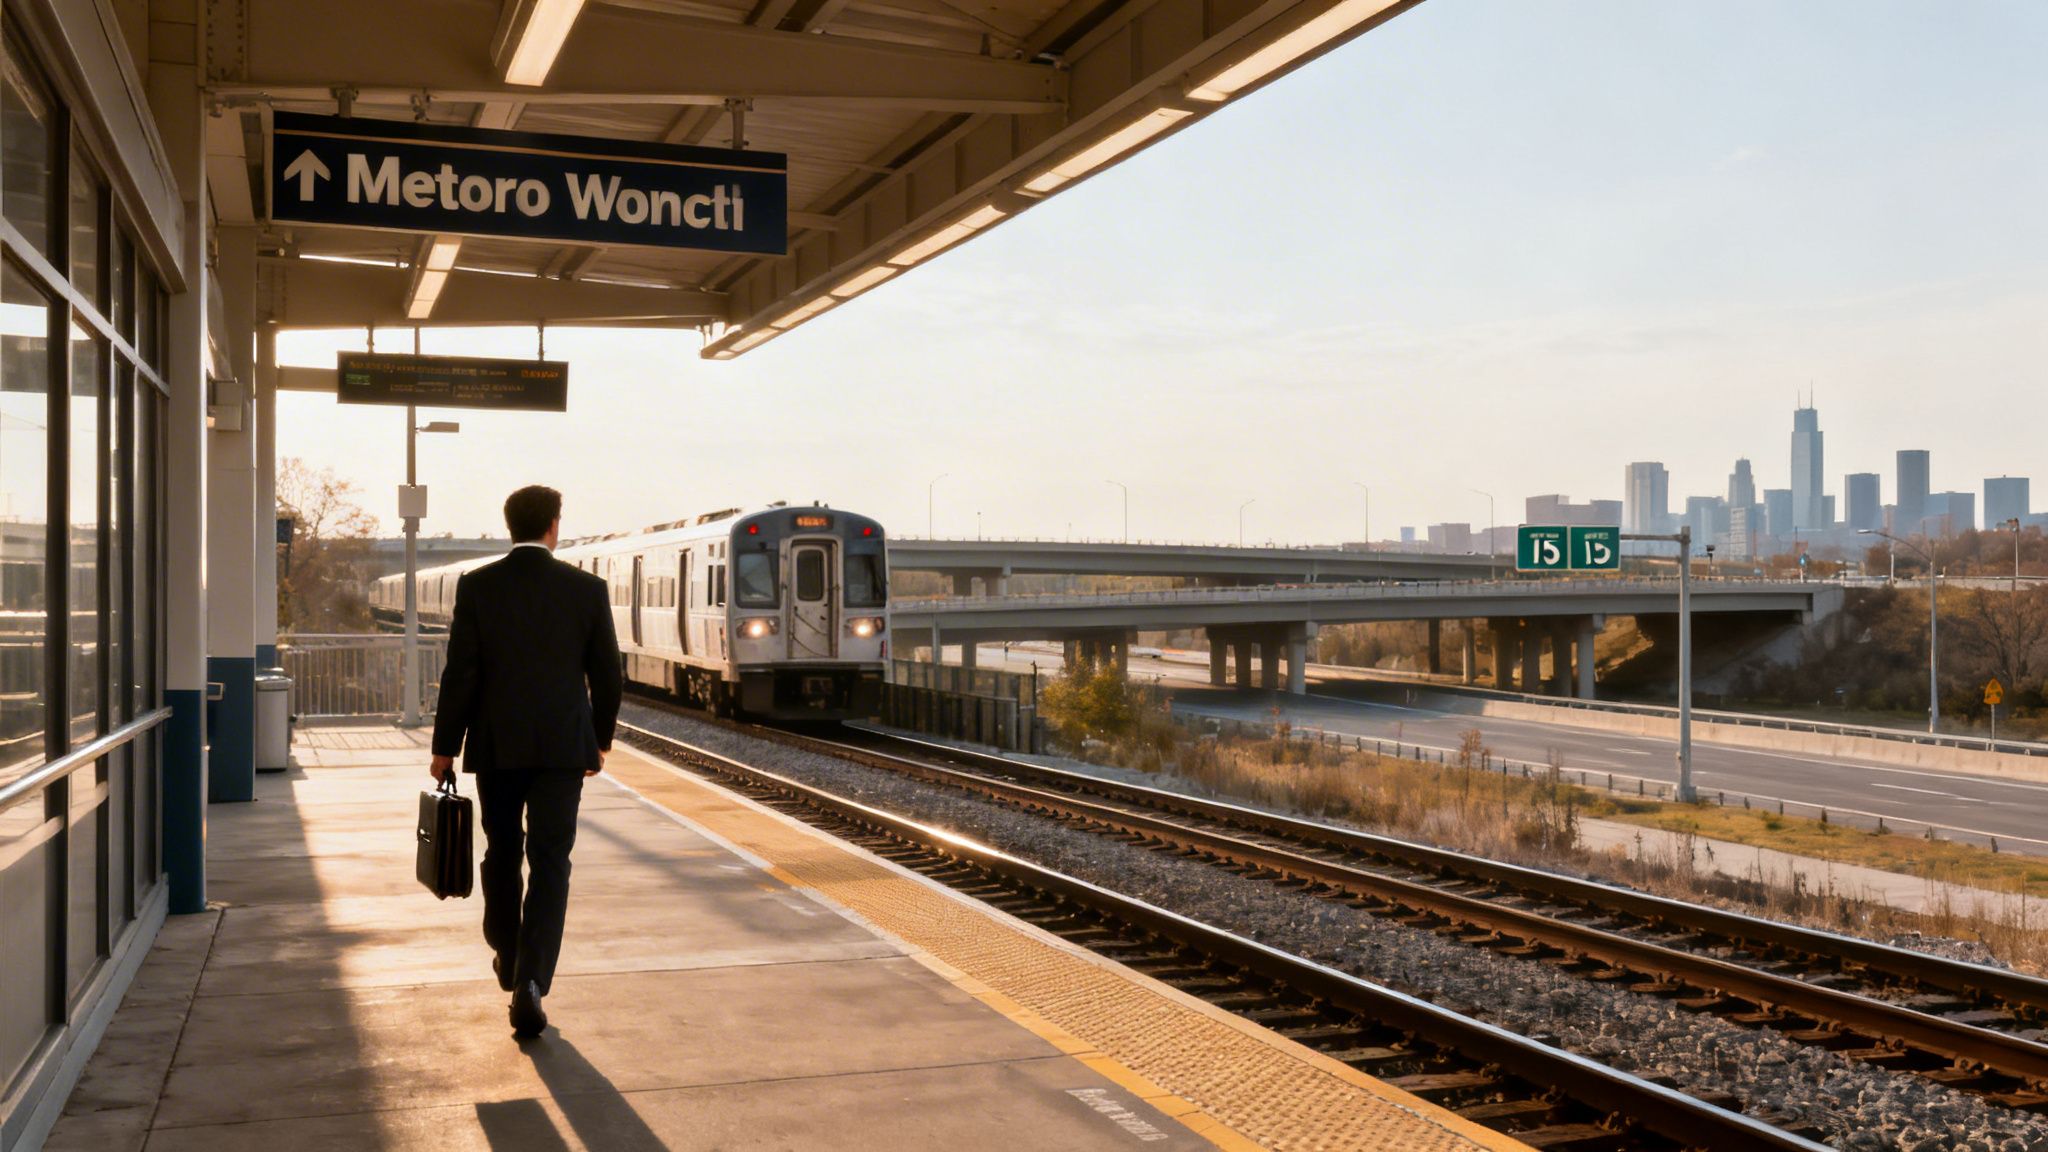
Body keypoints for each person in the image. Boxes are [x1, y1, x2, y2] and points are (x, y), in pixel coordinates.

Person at [430, 485, 622, 1039]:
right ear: (553, 526)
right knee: (551, 859)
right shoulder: (586, 590)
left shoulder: (478, 587)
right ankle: (533, 979)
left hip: (497, 746)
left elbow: (460, 674)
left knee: (503, 851)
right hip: (563, 748)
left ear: (509, 525)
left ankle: (508, 953)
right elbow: (608, 674)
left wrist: (445, 746)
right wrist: (599, 740)